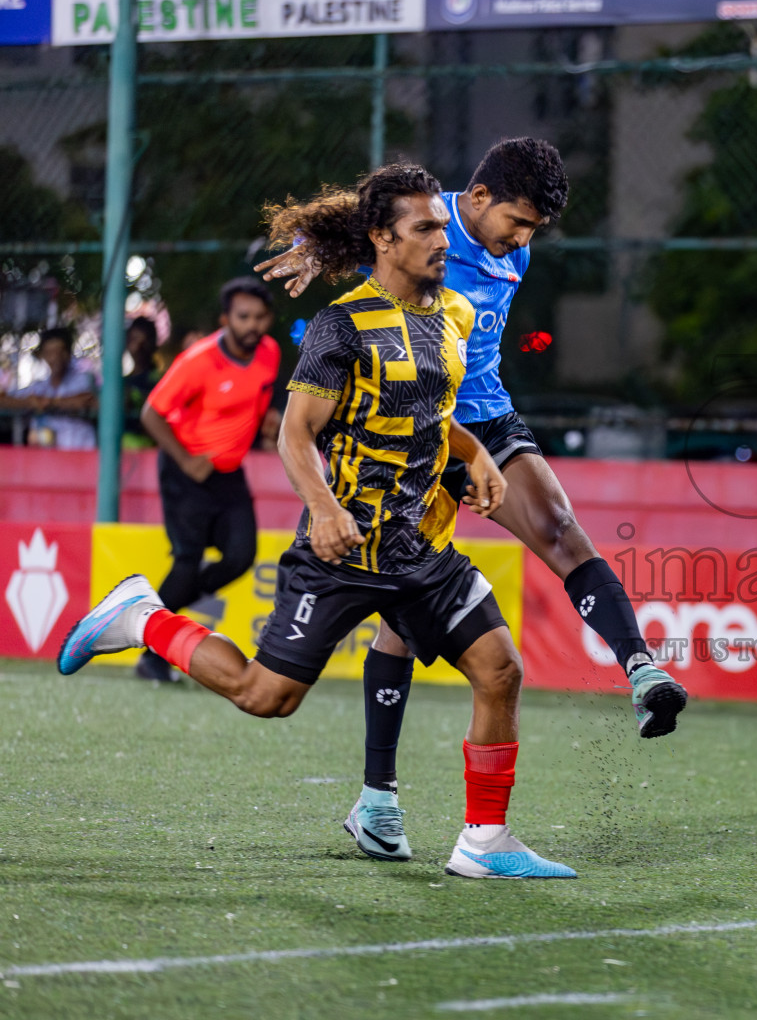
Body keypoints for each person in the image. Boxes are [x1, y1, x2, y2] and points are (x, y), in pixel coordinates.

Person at [57, 162, 575, 880]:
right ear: (382, 240)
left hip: (421, 550)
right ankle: (142, 617)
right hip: (343, 548)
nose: (440, 239)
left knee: (499, 670)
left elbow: (435, 414)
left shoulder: (453, 317)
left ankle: (484, 841)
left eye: (439, 224)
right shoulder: (341, 326)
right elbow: (295, 434)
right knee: (264, 697)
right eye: (424, 227)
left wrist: (476, 452)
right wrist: (325, 508)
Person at [257, 138, 687, 862]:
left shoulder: (511, 246)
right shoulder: (421, 229)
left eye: (534, 232)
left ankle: (640, 669)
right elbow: (366, 230)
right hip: (412, 431)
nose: (523, 242)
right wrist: (314, 241)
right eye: (518, 223)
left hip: (481, 417)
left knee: (559, 528)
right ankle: (378, 800)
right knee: (401, 612)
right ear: (478, 200)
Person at [134, 278, 281, 683]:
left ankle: (156, 619)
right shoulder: (198, 360)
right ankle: (152, 652)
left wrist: (266, 424)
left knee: (240, 556)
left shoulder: (269, 352)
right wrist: (186, 459)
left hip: (230, 474)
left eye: (259, 317)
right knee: (187, 563)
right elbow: (150, 413)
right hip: (186, 473)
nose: (252, 325)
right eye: (243, 317)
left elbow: (256, 399)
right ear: (225, 319)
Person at [0, 328, 98, 449]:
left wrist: (52, 402)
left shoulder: (84, 379)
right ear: (43, 355)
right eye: (49, 352)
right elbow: (4, 400)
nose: (55, 358)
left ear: (68, 353)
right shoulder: (40, 386)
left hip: (81, 456)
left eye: (59, 352)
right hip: (48, 460)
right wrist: (29, 402)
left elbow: (90, 400)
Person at [122, 316, 160, 447]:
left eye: (143, 342)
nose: (137, 347)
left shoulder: (159, 380)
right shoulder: (123, 381)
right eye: (133, 340)